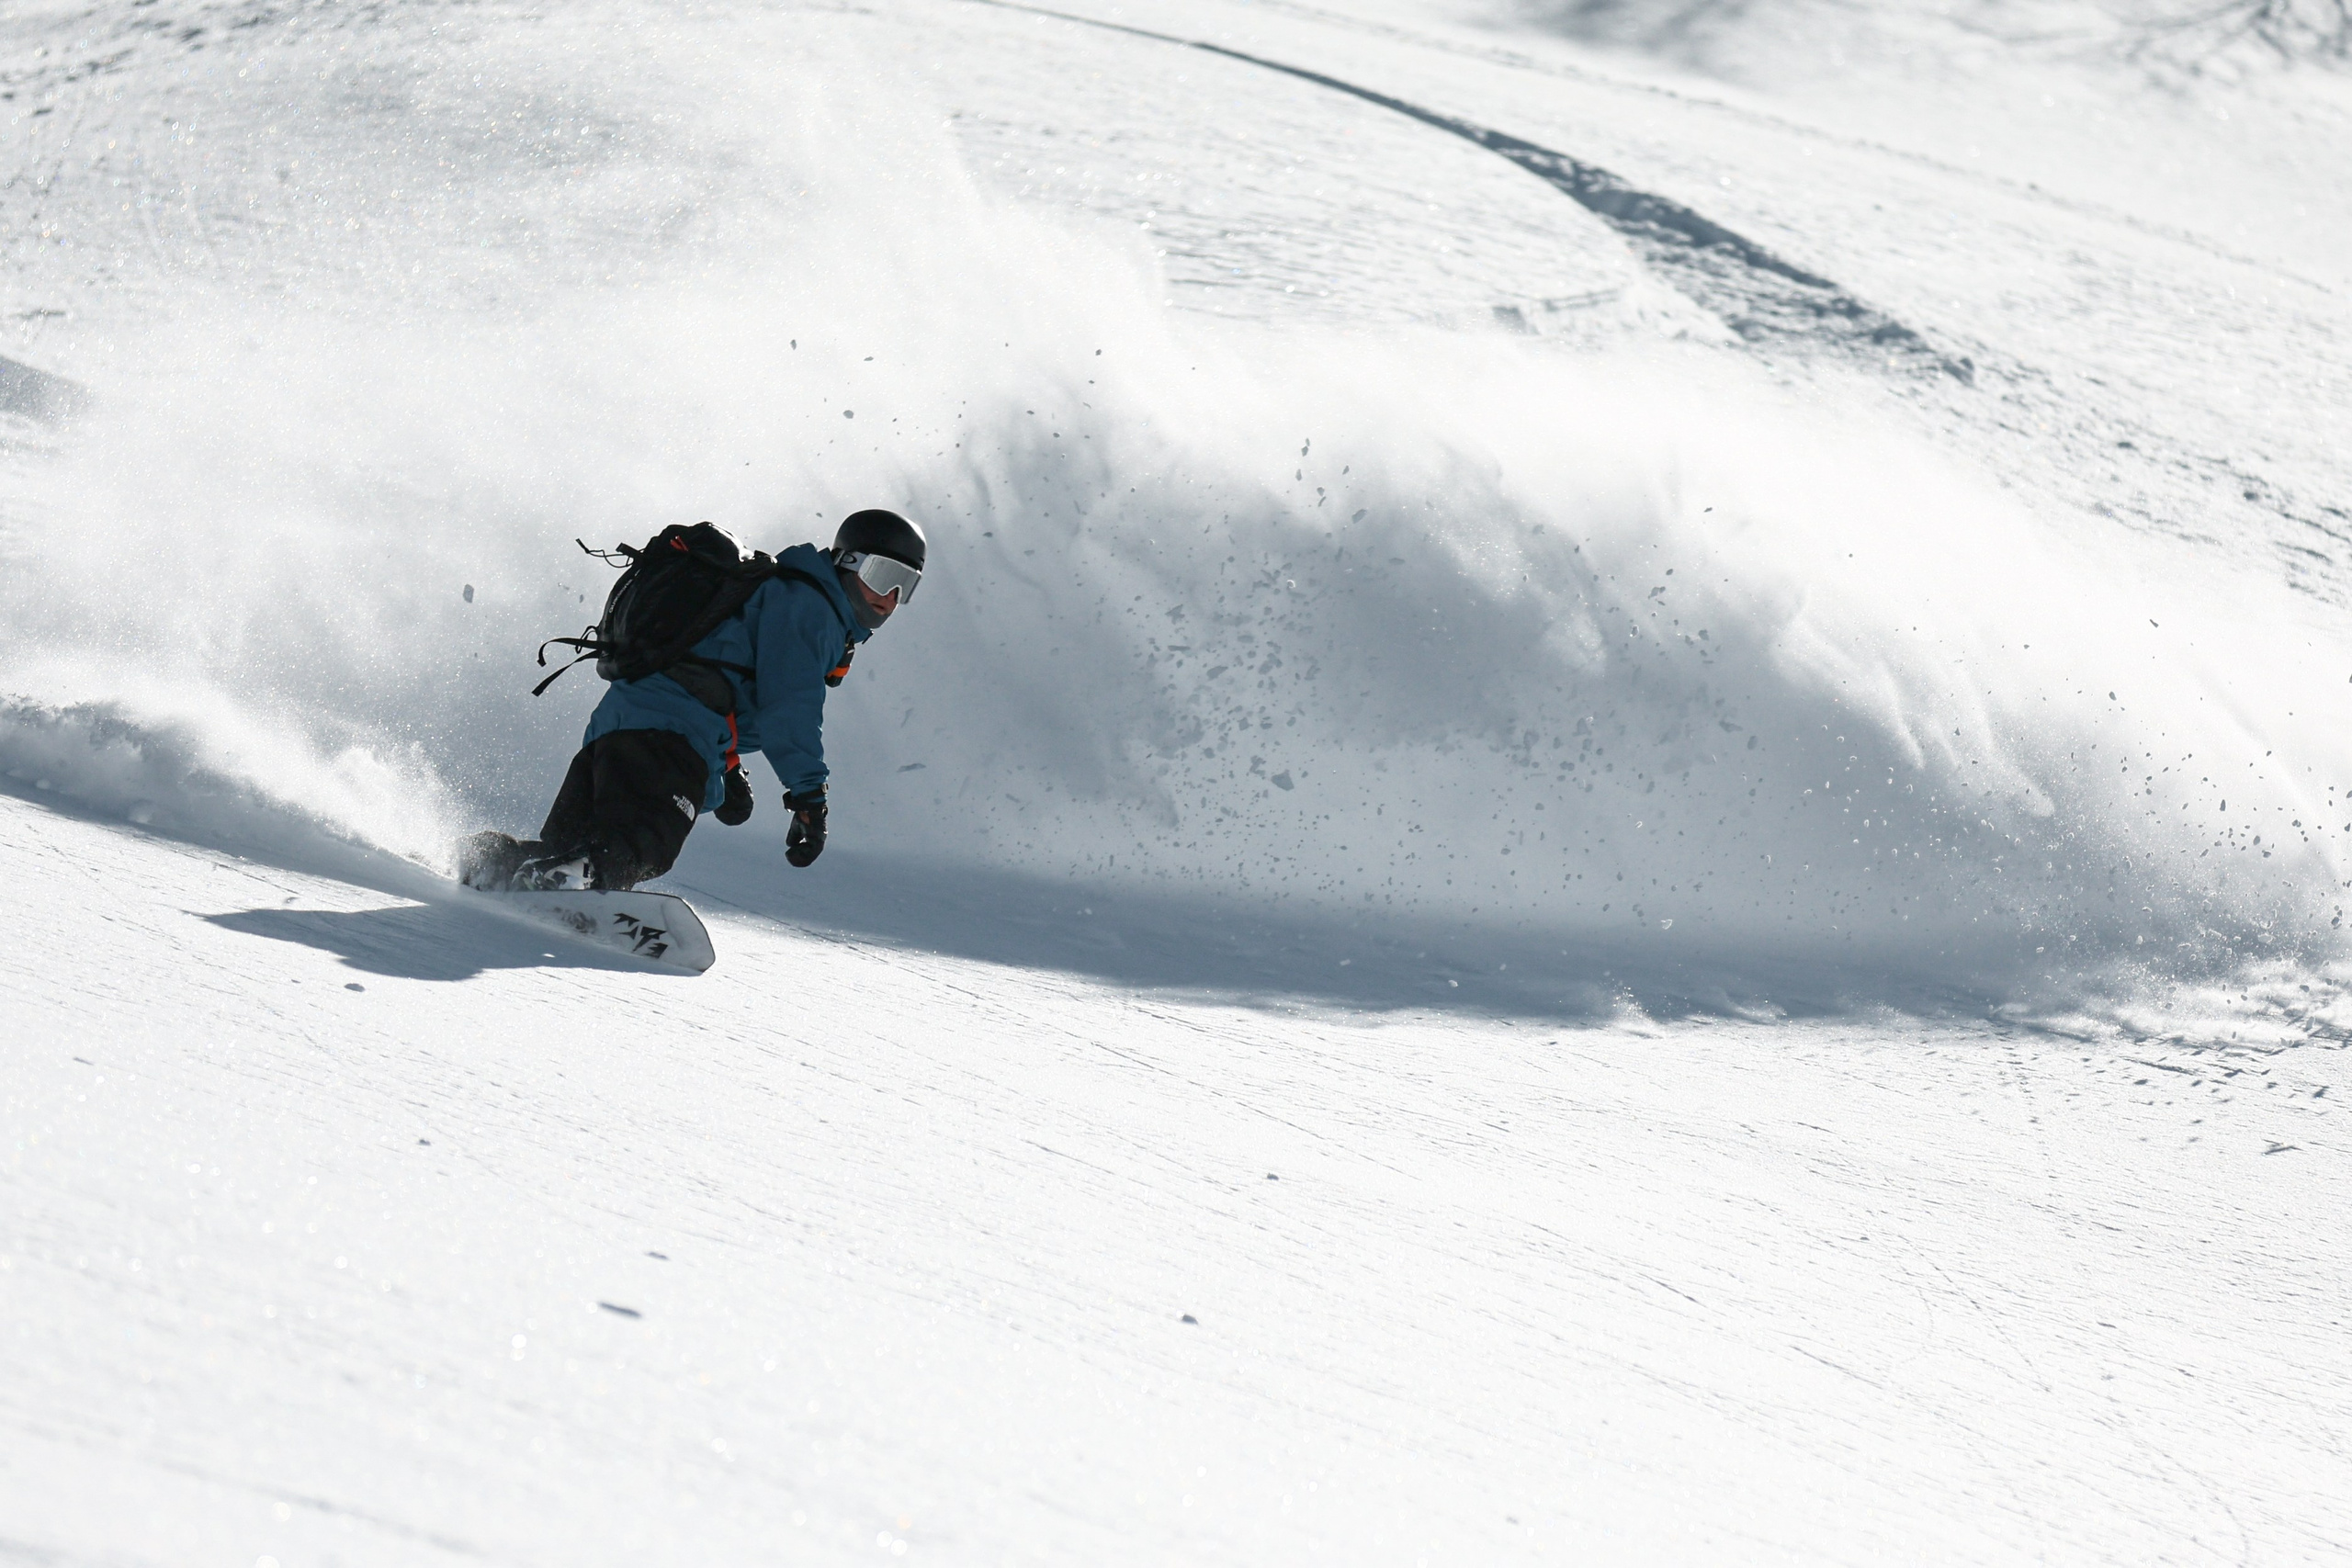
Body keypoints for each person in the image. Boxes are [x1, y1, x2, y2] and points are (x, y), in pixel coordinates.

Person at [458, 508, 926, 893]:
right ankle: (557, 883)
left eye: (906, 585)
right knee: (645, 846)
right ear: (846, 561)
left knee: (581, 847)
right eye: (882, 574)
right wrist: (809, 796)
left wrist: (724, 768)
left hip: (624, 725)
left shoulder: (781, 595)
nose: (890, 597)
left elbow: (719, 671)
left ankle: (493, 864)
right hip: (668, 734)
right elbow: (790, 712)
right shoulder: (811, 607)